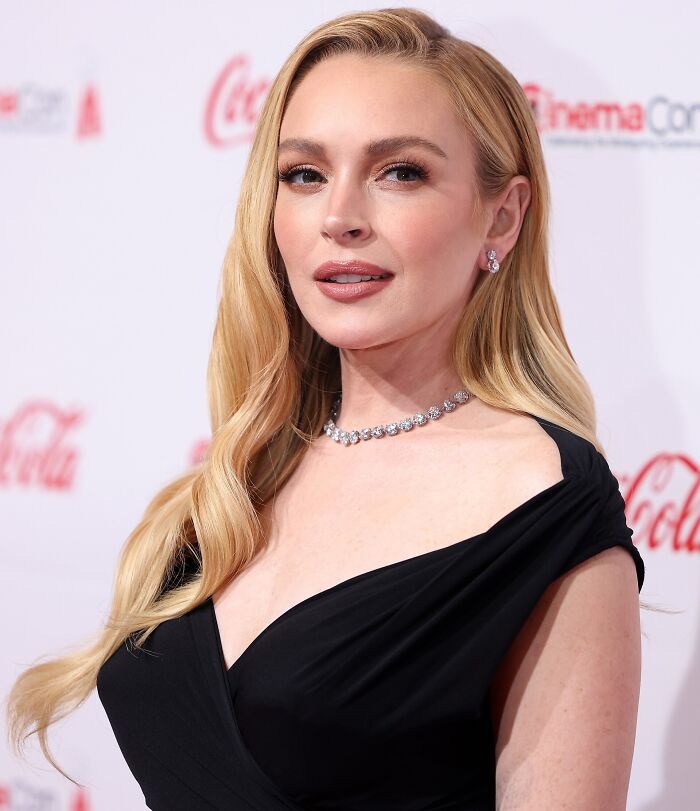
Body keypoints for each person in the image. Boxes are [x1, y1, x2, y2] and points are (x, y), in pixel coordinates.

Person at [6, 7, 648, 810]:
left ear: (502, 214)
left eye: (400, 171)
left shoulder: (548, 502)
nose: (339, 217)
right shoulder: (254, 466)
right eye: (304, 174)